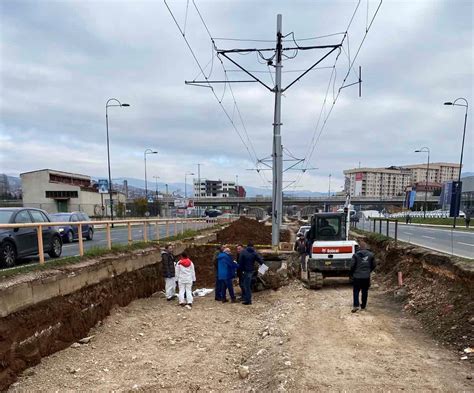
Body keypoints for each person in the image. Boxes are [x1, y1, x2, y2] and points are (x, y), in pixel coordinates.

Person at [350, 241, 376, 313]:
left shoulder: (355, 255)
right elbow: (374, 265)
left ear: (359, 248)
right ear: (366, 247)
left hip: (357, 276)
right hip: (366, 277)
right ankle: (363, 306)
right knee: (365, 291)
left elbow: (352, 266)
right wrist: (369, 271)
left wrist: (353, 273)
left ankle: (356, 305)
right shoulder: (371, 255)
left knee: (356, 291)